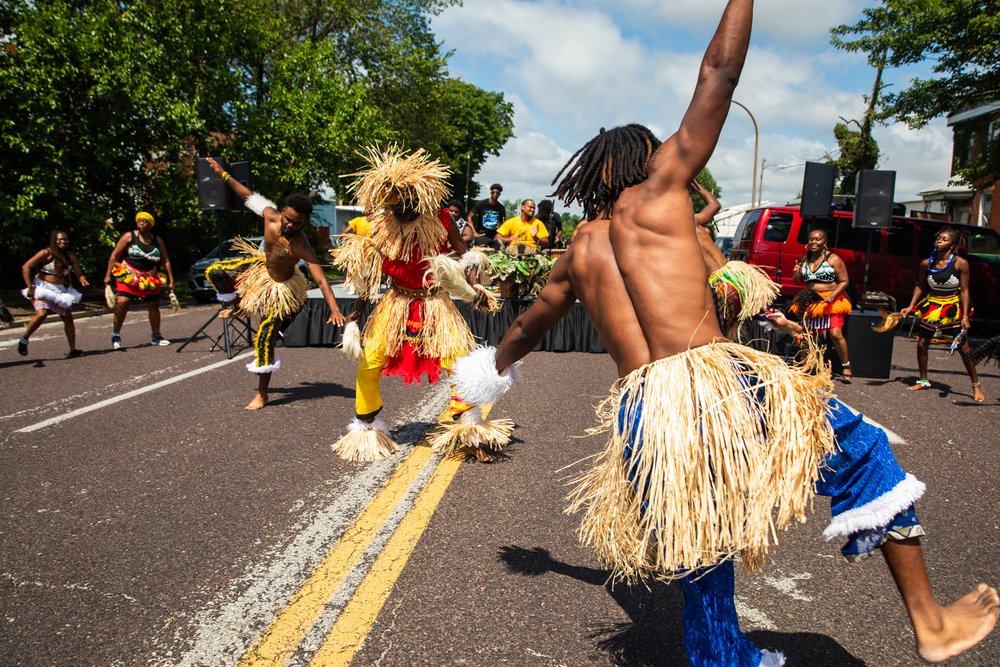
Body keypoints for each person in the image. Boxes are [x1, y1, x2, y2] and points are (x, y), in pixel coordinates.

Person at [445, 1, 998, 663]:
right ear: (645, 161)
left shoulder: (577, 255)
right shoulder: (663, 190)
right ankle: (931, 624)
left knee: (701, 542)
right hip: (714, 381)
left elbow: (528, 328)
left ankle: (724, 659)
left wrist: (492, 369)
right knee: (867, 452)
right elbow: (718, 73)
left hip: (645, 413)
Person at [330, 146, 498, 462]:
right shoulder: (380, 226)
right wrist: (358, 312)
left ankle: (470, 434)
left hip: (435, 304)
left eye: (403, 204)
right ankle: (367, 429)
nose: (398, 211)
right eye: (392, 205)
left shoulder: (442, 219)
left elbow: (464, 253)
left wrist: (475, 284)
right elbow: (368, 273)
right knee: (370, 361)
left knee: (458, 365)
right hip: (395, 303)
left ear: (416, 198)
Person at [204, 157, 347, 410]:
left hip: (288, 291)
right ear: (282, 212)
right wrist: (222, 175)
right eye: (288, 219)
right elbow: (247, 195)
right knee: (216, 271)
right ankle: (239, 306)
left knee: (264, 336)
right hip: (262, 278)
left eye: (297, 223)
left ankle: (263, 393)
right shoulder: (270, 217)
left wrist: (334, 309)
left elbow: (321, 280)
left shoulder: (301, 244)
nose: (290, 225)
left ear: (305, 223)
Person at [899, 227, 985, 402]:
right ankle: (923, 380)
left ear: (953, 244)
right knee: (922, 343)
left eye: (944, 239)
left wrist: (965, 316)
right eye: (938, 238)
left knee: (963, 348)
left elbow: (965, 291)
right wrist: (910, 306)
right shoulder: (926, 263)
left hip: (952, 307)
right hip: (932, 306)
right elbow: (920, 286)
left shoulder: (961, 263)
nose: (939, 241)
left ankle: (976, 385)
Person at [104, 211, 175, 350]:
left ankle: (156, 336)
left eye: (145, 221)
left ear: (150, 224)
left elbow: (166, 260)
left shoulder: (157, 240)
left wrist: (171, 280)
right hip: (129, 275)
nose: (141, 223)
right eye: (139, 221)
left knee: (153, 305)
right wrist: (107, 275)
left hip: (150, 277)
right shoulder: (129, 237)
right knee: (123, 302)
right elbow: (114, 256)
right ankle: (116, 334)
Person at [789, 228, 853, 381]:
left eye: (818, 239)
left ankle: (846, 365)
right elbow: (797, 281)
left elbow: (844, 281)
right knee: (806, 336)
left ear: (825, 242)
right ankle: (806, 365)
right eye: (811, 239)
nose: (814, 242)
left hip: (831, 300)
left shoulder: (833, 259)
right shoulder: (804, 259)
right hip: (811, 300)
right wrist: (797, 272)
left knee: (835, 334)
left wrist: (833, 295)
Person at [18, 230, 90, 357]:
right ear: (54, 240)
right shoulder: (46, 253)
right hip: (43, 288)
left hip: (61, 290)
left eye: (65, 239)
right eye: (60, 239)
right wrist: (30, 287)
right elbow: (26, 267)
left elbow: (78, 272)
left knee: (68, 319)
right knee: (41, 314)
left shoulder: (69, 256)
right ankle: (24, 338)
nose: (63, 242)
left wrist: (82, 279)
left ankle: (73, 350)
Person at [468, 183, 506, 247]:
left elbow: (503, 222)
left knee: (500, 247)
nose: (495, 194)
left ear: (499, 194)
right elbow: (469, 217)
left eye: (497, 193)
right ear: (490, 193)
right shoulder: (480, 204)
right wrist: (474, 232)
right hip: (481, 234)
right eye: (493, 192)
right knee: (486, 245)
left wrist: (499, 234)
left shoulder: (501, 207)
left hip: (494, 235)